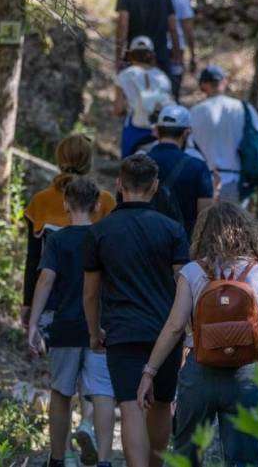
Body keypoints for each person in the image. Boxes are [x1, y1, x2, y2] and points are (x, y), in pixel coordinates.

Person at [138, 202, 258, 466]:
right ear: (247, 232)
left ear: (205, 234)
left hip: (199, 370)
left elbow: (175, 326)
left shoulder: (192, 271)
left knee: (188, 453)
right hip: (246, 374)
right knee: (247, 458)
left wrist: (149, 372)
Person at [83, 155, 190, 467]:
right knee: (162, 403)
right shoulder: (172, 230)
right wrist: (189, 329)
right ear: (155, 186)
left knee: (130, 406)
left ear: (119, 184)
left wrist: (94, 332)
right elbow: (183, 283)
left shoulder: (99, 232)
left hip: (121, 330)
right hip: (166, 332)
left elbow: (90, 293)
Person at [22, 134, 116, 464]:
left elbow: (37, 267)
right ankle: (102, 454)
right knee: (102, 389)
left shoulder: (45, 209)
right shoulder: (105, 215)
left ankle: (58, 458)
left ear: (66, 204)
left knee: (61, 390)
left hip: (60, 317)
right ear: (95, 206)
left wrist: (31, 317)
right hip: (100, 321)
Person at [189, 65, 258, 203]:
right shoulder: (243, 108)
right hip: (236, 181)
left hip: (205, 183)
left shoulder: (194, 112)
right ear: (224, 81)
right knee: (235, 224)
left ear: (203, 85)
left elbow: (189, 148)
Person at [145, 105, 214, 238]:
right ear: (186, 133)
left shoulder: (138, 163)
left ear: (157, 131)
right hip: (182, 245)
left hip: (144, 243)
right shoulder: (198, 167)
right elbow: (205, 216)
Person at [115, 0, 181, 77]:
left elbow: (122, 26)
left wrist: (118, 56)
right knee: (163, 92)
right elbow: (173, 28)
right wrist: (177, 55)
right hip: (160, 55)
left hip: (135, 55)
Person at [115, 36, 175, 158]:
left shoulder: (124, 76)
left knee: (129, 167)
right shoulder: (162, 77)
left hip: (134, 128)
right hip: (159, 129)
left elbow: (118, 108)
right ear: (151, 55)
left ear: (131, 54)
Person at [161, 0, 198, 101]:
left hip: (157, 45)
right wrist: (193, 54)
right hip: (176, 49)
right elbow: (187, 27)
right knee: (174, 89)